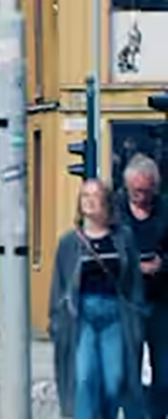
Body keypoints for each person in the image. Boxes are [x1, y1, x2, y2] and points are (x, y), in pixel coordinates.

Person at [50, 179, 146, 419]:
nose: (89, 201)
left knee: (114, 380)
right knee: (84, 378)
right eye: (84, 196)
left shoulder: (123, 238)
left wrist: (137, 313)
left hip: (115, 314)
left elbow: (134, 279)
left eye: (95, 195)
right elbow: (59, 286)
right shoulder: (69, 243)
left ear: (106, 202)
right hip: (82, 315)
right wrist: (56, 320)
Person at [117, 153, 168, 419]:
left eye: (147, 191)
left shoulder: (165, 210)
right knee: (129, 370)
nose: (142, 196)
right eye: (137, 191)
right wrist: (133, 266)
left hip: (161, 299)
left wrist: (162, 264)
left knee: (165, 372)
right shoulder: (115, 212)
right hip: (128, 302)